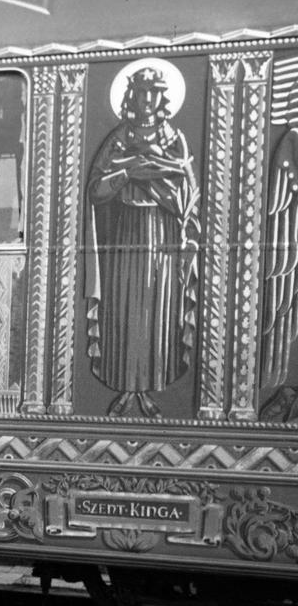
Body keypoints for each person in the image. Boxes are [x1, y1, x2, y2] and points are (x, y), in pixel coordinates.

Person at [85, 65, 201, 418]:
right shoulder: (119, 137)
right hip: (125, 236)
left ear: (162, 97)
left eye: (153, 91)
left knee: (157, 311)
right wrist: (128, 172)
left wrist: (155, 177)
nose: (147, 98)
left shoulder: (173, 137)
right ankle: (123, 388)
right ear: (131, 96)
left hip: (162, 238)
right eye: (141, 91)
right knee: (123, 311)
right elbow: (95, 190)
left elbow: (188, 194)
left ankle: (151, 389)